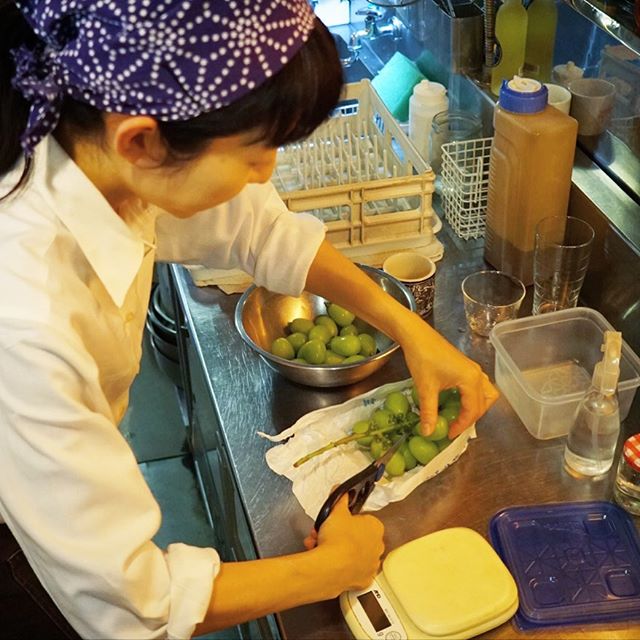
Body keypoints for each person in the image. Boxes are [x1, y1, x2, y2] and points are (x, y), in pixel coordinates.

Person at [0, 0, 499, 637]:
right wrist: (330, 569)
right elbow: (131, 607)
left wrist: (411, 329)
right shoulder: (27, 313)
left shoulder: (89, 138)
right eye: (254, 153)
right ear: (141, 140)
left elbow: (258, 228)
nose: (267, 173)